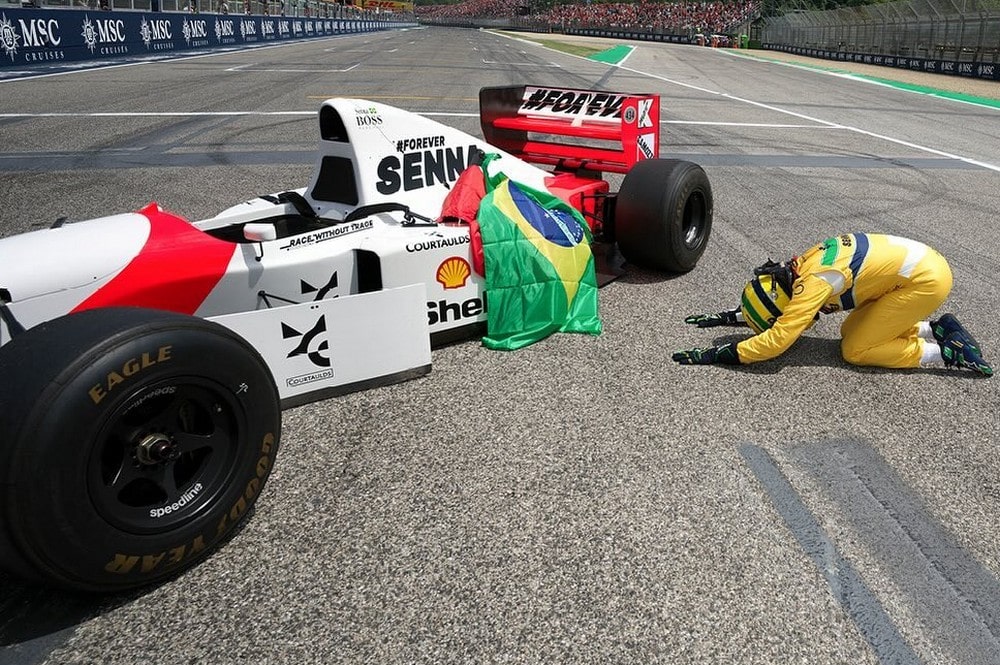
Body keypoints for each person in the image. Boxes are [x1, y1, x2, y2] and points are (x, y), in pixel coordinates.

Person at [672, 233, 993, 376]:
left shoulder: (812, 284)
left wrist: (720, 355)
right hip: (920, 266)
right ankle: (935, 328)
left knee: (855, 350)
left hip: (927, 282)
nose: (804, 321)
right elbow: (779, 309)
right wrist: (732, 317)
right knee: (850, 328)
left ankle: (947, 352)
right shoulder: (800, 265)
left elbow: (778, 340)